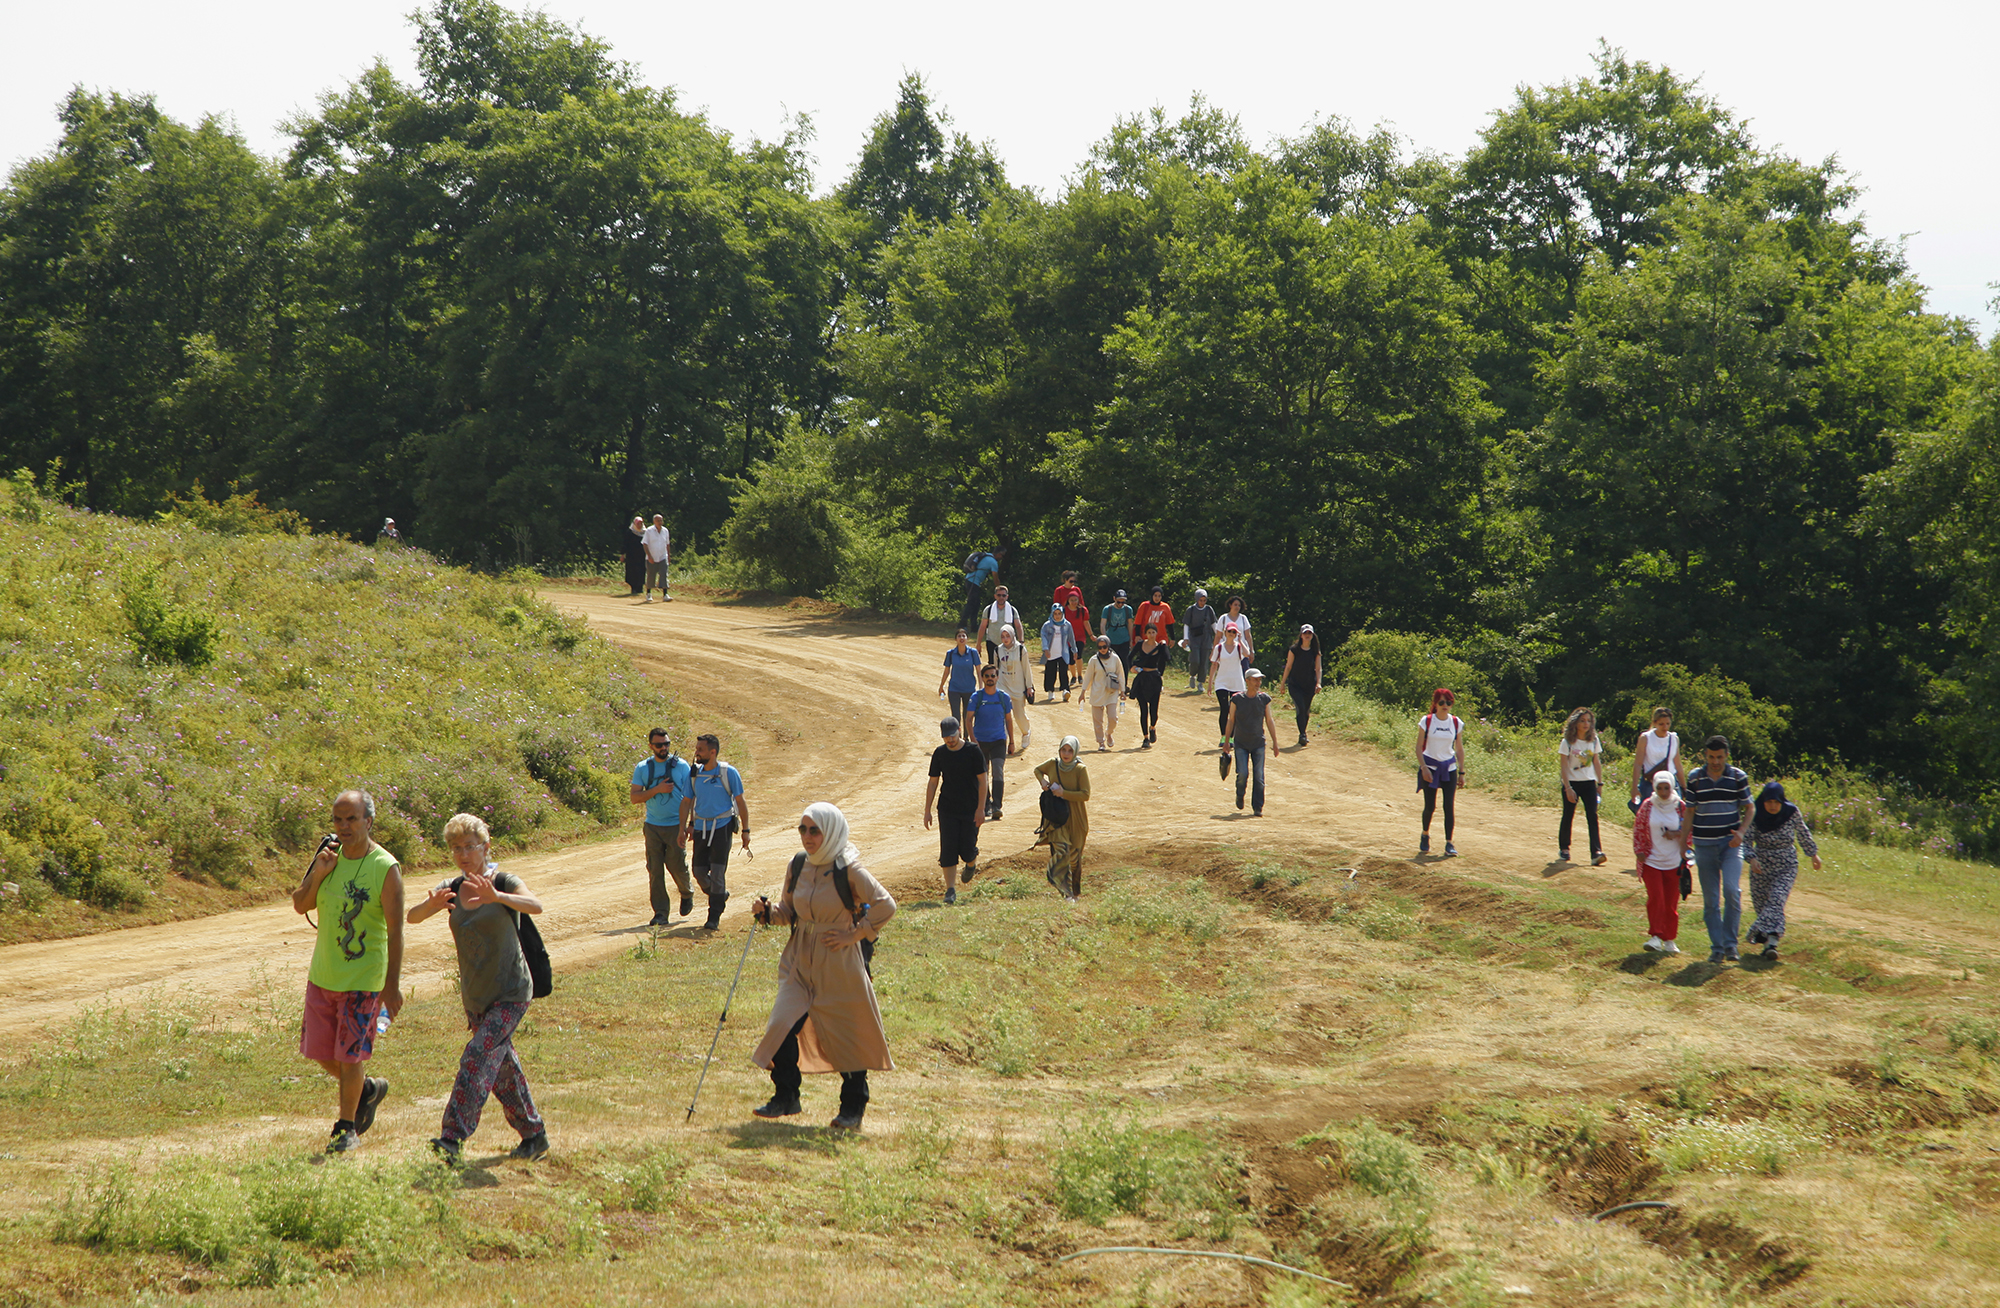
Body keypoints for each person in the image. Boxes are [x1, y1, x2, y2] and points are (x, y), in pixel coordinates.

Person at [406, 813, 548, 1163]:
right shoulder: (451, 887)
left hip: (511, 992)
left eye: (470, 846)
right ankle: (534, 1135)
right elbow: (412, 916)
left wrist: (499, 896)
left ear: (485, 847)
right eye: (456, 848)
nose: (464, 854)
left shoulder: (503, 880)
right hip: (476, 996)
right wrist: (430, 905)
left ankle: (452, 1138)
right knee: (502, 1070)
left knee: (476, 1056)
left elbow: (536, 905)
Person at [749, 803, 895, 1131]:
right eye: (802, 829)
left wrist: (856, 933)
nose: (807, 837)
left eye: (814, 830)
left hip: (840, 962)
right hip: (800, 958)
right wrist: (768, 912)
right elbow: (789, 910)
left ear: (831, 831)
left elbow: (887, 904)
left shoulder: (850, 869)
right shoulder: (798, 865)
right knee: (782, 1024)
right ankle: (786, 1096)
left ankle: (853, 1107)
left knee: (847, 1033)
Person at [292, 789, 404, 1155]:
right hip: (323, 974)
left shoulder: (385, 868)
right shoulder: (329, 856)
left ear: (369, 821)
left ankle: (346, 1127)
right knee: (319, 1051)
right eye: (338, 820)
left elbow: (396, 930)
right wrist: (320, 872)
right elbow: (300, 904)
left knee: (349, 1055)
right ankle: (367, 1091)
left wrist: (392, 986)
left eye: (352, 819)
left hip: (364, 979)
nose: (344, 827)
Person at [1684, 735, 1753, 963]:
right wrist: (1682, 845)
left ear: (1727, 756)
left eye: (1719, 757)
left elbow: (1750, 808)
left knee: (1732, 891)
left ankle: (1731, 945)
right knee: (1711, 900)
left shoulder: (1737, 776)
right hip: (1704, 845)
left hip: (1730, 844)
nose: (1715, 761)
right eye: (1711, 757)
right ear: (1705, 755)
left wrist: (1742, 832)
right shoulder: (1695, 777)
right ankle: (1717, 947)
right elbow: (1689, 813)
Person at [679, 733, 750, 930]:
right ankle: (720, 895)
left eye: (700, 749)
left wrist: (746, 830)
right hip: (701, 828)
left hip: (722, 828)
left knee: (718, 873)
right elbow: (686, 802)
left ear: (713, 752)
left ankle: (713, 917)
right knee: (699, 872)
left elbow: (741, 802)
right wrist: (682, 829)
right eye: (697, 749)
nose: (696, 753)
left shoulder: (729, 773)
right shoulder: (694, 775)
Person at [1745, 781, 1821, 959]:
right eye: (1769, 802)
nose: (1773, 806)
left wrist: (1813, 855)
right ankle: (1768, 944)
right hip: (1761, 867)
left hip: (1785, 864)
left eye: (1776, 802)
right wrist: (1752, 859)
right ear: (1763, 801)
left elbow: (1803, 833)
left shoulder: (1791, 812)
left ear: (1782, 802)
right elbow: (1746, 841)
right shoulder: (1754, 815)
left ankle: (1760, 933)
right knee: (1762, 905)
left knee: (1776, 900)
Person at [630, 728, 695, 926]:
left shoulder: (682, 766)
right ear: (651, 746)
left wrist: (690, 824)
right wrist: (657, 789)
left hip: (676, 824)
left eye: (666, 744)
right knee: (655, 870)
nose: (664, 748)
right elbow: (635, 797)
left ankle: (686, 892)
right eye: (659, 745)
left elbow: (692, 796)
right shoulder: (643, 768)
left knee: (676, 865)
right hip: (653, 826)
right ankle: (661, 913)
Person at [924, 718, 988, 906]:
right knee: (948, 849)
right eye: (946, 737)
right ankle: (950, 889)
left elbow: (983, 781)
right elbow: (933, 782)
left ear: (959, 731)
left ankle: (971, 862)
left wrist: (981, 809)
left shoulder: (973, 751)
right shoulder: (940, 753)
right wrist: (927, 810)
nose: (949, 740)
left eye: (952, 736)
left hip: (970, 809)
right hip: (947, 809)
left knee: (967, 848)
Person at [1631, 774, 1688, 954]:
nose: (1663, 792)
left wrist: (1677, 834)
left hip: (1674, 862)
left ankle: (1669, 939)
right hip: (1652, 861)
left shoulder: (1681, 807)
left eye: (1667, 788)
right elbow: (1638, 829)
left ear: (1672, 787)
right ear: (1654, 788)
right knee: (1656, 898)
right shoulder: (1648, 806)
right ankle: (1655, 936)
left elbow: (1690, 830)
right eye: (1660, 788)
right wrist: (1639, 850)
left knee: (1671, 902)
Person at [1033, 737, 1091, 901]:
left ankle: (1076, 892)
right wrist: (1043, 782)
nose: (1066, 754)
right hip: (1057, 818)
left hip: (1076, 818)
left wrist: (1063, 793)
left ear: (1075, 752)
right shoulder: (1053, 764)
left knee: (1074, 858)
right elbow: (1037, 770)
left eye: (1070, 750)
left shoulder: (1080, 769)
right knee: (1060, 853)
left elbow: (1085, 794)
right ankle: (1066, 894)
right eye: (1063, 750)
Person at [1416, 688, 1467, 857]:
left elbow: (1459, 748)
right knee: (1430, 806)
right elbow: (1418, 747)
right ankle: (1425, 834)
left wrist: (1461, 772)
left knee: (1448, 806)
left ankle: (1449, 843)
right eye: (1442, 702)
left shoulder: (1455, 722)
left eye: (1449, 702)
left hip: (1449, 768)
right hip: (1430, 766)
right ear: (1435, 703)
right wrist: (1423, 768)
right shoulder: (1427, 721)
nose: (1445, 706)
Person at [1223, 669, 1281, 816]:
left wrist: (1275, 742)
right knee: (1242, 774)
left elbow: (1269, 720)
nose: (1258, 683)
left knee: (1259, 777)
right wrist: (1226, 741)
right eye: (1255, 680)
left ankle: (1257, 807)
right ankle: (1240, 793)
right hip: (1241, 742)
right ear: (1247, 681)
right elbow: (1231, 720)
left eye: (1259, 680)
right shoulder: (1237, 699)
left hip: (1258, 743)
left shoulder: (1264, 699)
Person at [963, 664, 1017, 819]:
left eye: (993, 676)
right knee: (983, 774)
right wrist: (973, 741)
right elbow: (968, 720)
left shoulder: (1004, 697)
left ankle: (996, 806)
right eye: (987, 676)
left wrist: (1012, 741)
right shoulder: (976, 697)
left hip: (999, 741)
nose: (990, 679)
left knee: (998, 771)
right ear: (982, 678)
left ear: (997, 677)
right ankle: (986, 804)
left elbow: (1009, 720)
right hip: (980, 742)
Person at [1557, 708, 1607, 866]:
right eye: (1582, 721)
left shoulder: (1593, 740)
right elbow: (1564, 766)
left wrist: (1600, 783)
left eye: (1589, 721)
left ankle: (1596, 852)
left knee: (1592, 816)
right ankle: (1564, 848)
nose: (1586, 724)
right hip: (1572, 783)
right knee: (1568, 815)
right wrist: (1568, 788)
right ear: (1575, 723)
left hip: (1589, 782)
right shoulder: (1567, 742)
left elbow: (1596, 762)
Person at [1629, 707, 1684, 813]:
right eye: (1661, 724)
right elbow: (1638, 763)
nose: (1665, 727)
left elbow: (1677, 764)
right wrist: (1634, 787)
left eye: (1668, 723)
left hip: (1671, 782)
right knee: (1649, 814)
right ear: (1654, 723)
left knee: (1677, 813)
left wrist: (1684, 787)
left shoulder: (1674, 738)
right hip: (1651, 783)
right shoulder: (1645, 738)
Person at [1079, 635, 1128, 751]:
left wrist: (1123, 691)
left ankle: (1109, 733)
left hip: (1111, 692)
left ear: (1108, 646)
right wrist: (1083, 692)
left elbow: (1121, 675)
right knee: (1097, 720)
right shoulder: (1094, 660)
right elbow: (1088, 677)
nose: (1102, 649)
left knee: (1113, 718)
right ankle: (1101, 742)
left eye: (1104, 646)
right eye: (1100, 647)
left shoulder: (1115, 659)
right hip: (1097, 692)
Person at [1279, 625, 1323, 747]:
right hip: (1295, 684)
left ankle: (1303, 733)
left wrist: (1318, 682)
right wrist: (1283, 684)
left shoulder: (1316, 651)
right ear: (1301, 635)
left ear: (1313, 635)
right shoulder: (1294, 650)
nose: (1307, 635)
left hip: (1309, 684)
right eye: (1305, 633)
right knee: (1301, 707)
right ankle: (1302, 734)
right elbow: (1288, 667)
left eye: (1309, 633)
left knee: (1306, 710)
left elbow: (1318, 668)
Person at [1209, 623, 1250, 748]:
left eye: (1234, 632)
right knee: (1224, 709)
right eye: (1229, 632)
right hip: (1222, 681)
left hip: (1236, 682)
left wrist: (1240, 640)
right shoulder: (1219, 648)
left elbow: (1247, 654)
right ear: (1225, 632)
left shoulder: (1239, 647)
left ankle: (1231, 738)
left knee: (1234, 711)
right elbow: (1214, 664)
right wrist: (1210, 683)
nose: (1231, 634)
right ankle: (1223, 736)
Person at [1127, 624, 1170, 747]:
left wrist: (1164, 645)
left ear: (1156, 633)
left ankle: (1152, 727)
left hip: (1154, 680)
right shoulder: (1140, 644)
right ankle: (1145, 738)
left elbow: (1167, 659)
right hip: (1142, 679)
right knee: (1143, 710)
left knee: (1154, 711)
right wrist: (1132, 668)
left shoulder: (1160, 647)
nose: (1151, 635)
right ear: (1146, 634)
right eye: (1149, 632)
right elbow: (1129, 657)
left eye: (1153, 632)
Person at [994, 625, 1035, 752]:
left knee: (1018, 715)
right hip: (1002, 685)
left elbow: (1026, 669)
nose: (1005, 639)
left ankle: (1025, 733)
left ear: (1012, 636)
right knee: (1001, 714)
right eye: (1003, 636)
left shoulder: (1021, 649)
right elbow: (995, 669)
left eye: (1007, 636)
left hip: (1017, 687)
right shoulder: (997, 650)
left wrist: (1029, 686)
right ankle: (1003, 739)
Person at [959, 546, 1005, 633]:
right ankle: (962, 624)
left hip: (970, 580)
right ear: (999, 554)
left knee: (976, 605)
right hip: (973, 581)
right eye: (1002, 556)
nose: (1002, 558)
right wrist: (1000, 590)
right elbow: (995, 578)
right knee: (971, 603)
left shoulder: (987, 556)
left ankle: (973, 627)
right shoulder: (993, 562)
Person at [978, 584, 1024, 666]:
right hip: (992, 641)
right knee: (992, 666)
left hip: (1008, 643)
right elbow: (982, 627)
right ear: (995, 596)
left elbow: (1018, 626)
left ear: (1007, 596)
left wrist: (1021, 642)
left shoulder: (1012, 610)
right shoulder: (988, 609)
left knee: (1008, 665)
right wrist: (978, 644)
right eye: (999, 595)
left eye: (1003, 595)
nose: (1001, 597)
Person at [1040, 602, 1077, 701]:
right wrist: (1046, 648)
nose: (1057, 616)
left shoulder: (1067, 625)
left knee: (1063, 672)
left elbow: (1071, 638)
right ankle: (1050, 691)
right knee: (1050, 673)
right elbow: (1043, 636)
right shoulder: (1047, 625)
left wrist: (1074, 650)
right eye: (1055, 614)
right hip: (1050, 653)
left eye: (1059, 614)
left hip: (1063, 653)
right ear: (1052, 614)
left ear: (1062, 614)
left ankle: (1065, 690)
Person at [1182, 589, 1217, 691]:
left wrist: (1220, 637)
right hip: (1194, 638)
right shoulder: (1191, 610)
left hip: (1206, 639)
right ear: (1197, 599)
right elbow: (1186, 624)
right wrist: (1186, 638)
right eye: (1200, 600)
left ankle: (1200, 683)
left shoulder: (1209, 609)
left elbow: (1214, 624)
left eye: (1204, 600)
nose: (1202, 602)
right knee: (1195, 660)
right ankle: (1192, 676)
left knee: (1204, 661)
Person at [1133, 586, 1174, 671]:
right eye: (1155, 595)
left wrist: (1172, 638)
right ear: (1152, 595)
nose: (1157, 598)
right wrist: (1137, 635)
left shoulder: (1165, 607)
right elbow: (1138, 622)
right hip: (1147, 636)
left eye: (1159, 596)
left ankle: (1160, 676)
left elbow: (1170, 623)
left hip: (1161, 636)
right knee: (1147, 657)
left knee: (1162, 656)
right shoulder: (1144, 606)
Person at [1100, 589, 1135, 670]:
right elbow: (1103, 624)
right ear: (1114, 599)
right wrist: (1105, 639)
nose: (1120, 604)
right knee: (1111, 662)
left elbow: (1130, 624)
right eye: (1118, 602)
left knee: (1124, 662)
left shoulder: (1128, 609)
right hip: (1111, 639)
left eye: (1123, 602)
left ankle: (1124, 681)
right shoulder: (1107, 609)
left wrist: (1130, 640)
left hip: (1124, 639)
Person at [641, 514, 672, 603]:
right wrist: (649, 556)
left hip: (663, 556)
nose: (660, 522)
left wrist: (669, 556)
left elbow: (667, 544)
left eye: (661, 520)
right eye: (658, 521)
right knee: (651, 575)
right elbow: (645, 544)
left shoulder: (665, 531)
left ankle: (665, 594)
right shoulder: (649, 531)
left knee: (664, 574)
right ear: (654, 521)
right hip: (652, 557)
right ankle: (648, 594)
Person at [1063, 589, 1095, 663]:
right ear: (1068, 600)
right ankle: (1074, 674)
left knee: (1078, 655)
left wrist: (1091, 635)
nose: (1074, 602)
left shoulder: (1083, 610)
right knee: (1071, 659)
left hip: (1080, 637)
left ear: (1078, 600)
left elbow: (1086, 623)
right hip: (1068, 637)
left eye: (1075, 600)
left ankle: (1080, 674)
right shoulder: (1064, 610)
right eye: (1071, 600)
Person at [621, 516, 647, 596]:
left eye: (641, 523)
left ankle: (640, 587)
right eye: (638, 523)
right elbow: (625, 544)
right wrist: (622, 554)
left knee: (641, 571)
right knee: (632, 571)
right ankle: (633, 588)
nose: (639, 525)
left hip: (642, 555)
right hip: (631, 556)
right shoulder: (630, 532)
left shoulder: (645, 532)